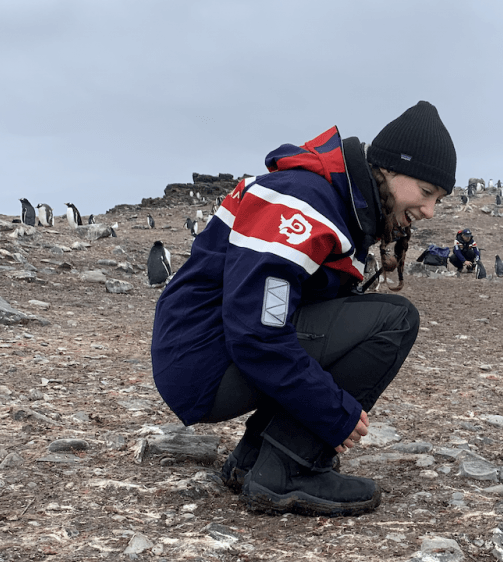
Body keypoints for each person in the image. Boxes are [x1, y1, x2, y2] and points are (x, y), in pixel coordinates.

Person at [151, 101, 456, 517]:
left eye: (437, 199)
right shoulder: (302, 202)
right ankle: (287, 470)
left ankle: (255, 457)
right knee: (394, 321)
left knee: (350, 310)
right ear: (387, 169)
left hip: (203, 356)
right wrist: (333, 414)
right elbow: (259, 332)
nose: (428, 212)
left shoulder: (332, 200)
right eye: (425, 192)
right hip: (203, 366)